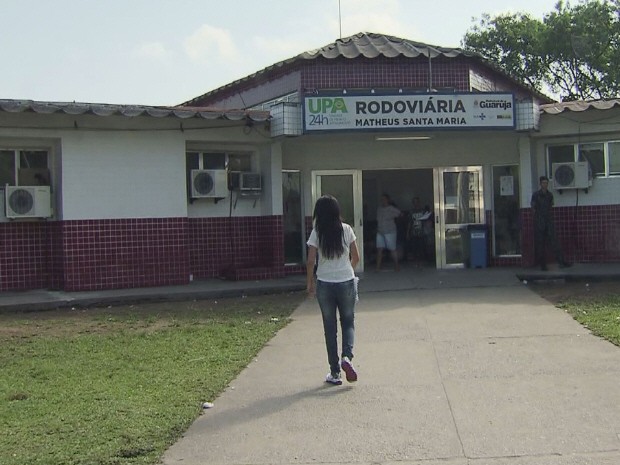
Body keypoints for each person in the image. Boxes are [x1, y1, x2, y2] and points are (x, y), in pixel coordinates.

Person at [307, 194, 360, 385]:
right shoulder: (346, 229)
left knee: (329, 328)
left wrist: (310, 283)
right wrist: (348, 271)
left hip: (325, 283)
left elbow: (311, 260)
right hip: (346, 281)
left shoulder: (317, 232)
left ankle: (335, 373)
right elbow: (356, 256)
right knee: (348, 322)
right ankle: (347, 357)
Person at [530, 176, 571, 271]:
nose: (545, 185)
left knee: (554, 242)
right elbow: (533, 208)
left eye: (546, 183)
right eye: (543, 183)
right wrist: (537, 220)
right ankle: (542, 265)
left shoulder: (549, 195)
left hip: (548, 221)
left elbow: (551, 206)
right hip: (540, 221)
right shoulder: (536, 195)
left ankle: (561, 261)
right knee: (541, 244)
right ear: (540, 184)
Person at [376, 193, 401, 271]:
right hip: (380, 231)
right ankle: (377, 267)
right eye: (381, 199)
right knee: (379, 249)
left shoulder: (391, 208)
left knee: (392, 249)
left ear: (388, 200)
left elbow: (400, 214)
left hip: (390, 231)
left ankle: (397, 266)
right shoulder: (379, 209)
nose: (382, 200)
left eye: (384, 199)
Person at [406, 196, 426, 262]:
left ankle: (421, 261)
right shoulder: (411, 212)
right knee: (414, 247)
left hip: (422, 232)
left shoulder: (423, 211)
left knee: (421, 247)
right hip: (413, 232)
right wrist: (408, 233)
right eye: (414, 202)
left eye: (417, 202)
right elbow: (409, 222)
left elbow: (427, 222)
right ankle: (416, 261)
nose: (416, 203)